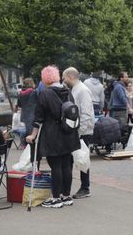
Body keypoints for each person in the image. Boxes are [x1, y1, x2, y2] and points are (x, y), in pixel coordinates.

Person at [26, 65, 80, 208]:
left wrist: (32, 135)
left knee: (55, 166)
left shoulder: (45, 93)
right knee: (66, 165)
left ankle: (55, 198)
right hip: (69, 133)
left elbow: (38, 118)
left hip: (53, 134)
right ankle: (66, 196)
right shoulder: (67, 91)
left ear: (45, 79)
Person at [62, 67, 94, 199]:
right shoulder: (75, 89)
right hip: (77, 129)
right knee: (73, 158)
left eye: (64, 78)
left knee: (83, 159)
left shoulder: (83, 90)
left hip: (83, 131)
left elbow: (86, 113)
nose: (63, 81)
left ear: (70, 76)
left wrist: (80, 132)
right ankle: (66, 188)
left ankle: (85, 187)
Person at [16, 78, 39, 147]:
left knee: (27, 131)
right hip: (33, 115)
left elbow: (19, 105)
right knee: (32, 133)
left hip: (24, 115)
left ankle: (24, 145)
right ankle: (30, 147)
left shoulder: (20, 93)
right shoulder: (34, 92)